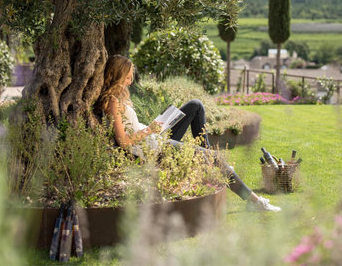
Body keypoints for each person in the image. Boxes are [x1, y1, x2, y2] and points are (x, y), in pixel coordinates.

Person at [95, 55, 281, 212]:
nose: (130, 81)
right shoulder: (113, 101)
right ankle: (254, 201)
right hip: (152, 150)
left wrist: (155, 126)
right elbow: (124, 142)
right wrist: (149, 129)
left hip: (154, 141)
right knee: (215, 158)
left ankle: (209, 162)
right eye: (127, 78)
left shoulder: (119, 98)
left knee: (195, 106)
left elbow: (132, 128)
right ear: (117, 76)